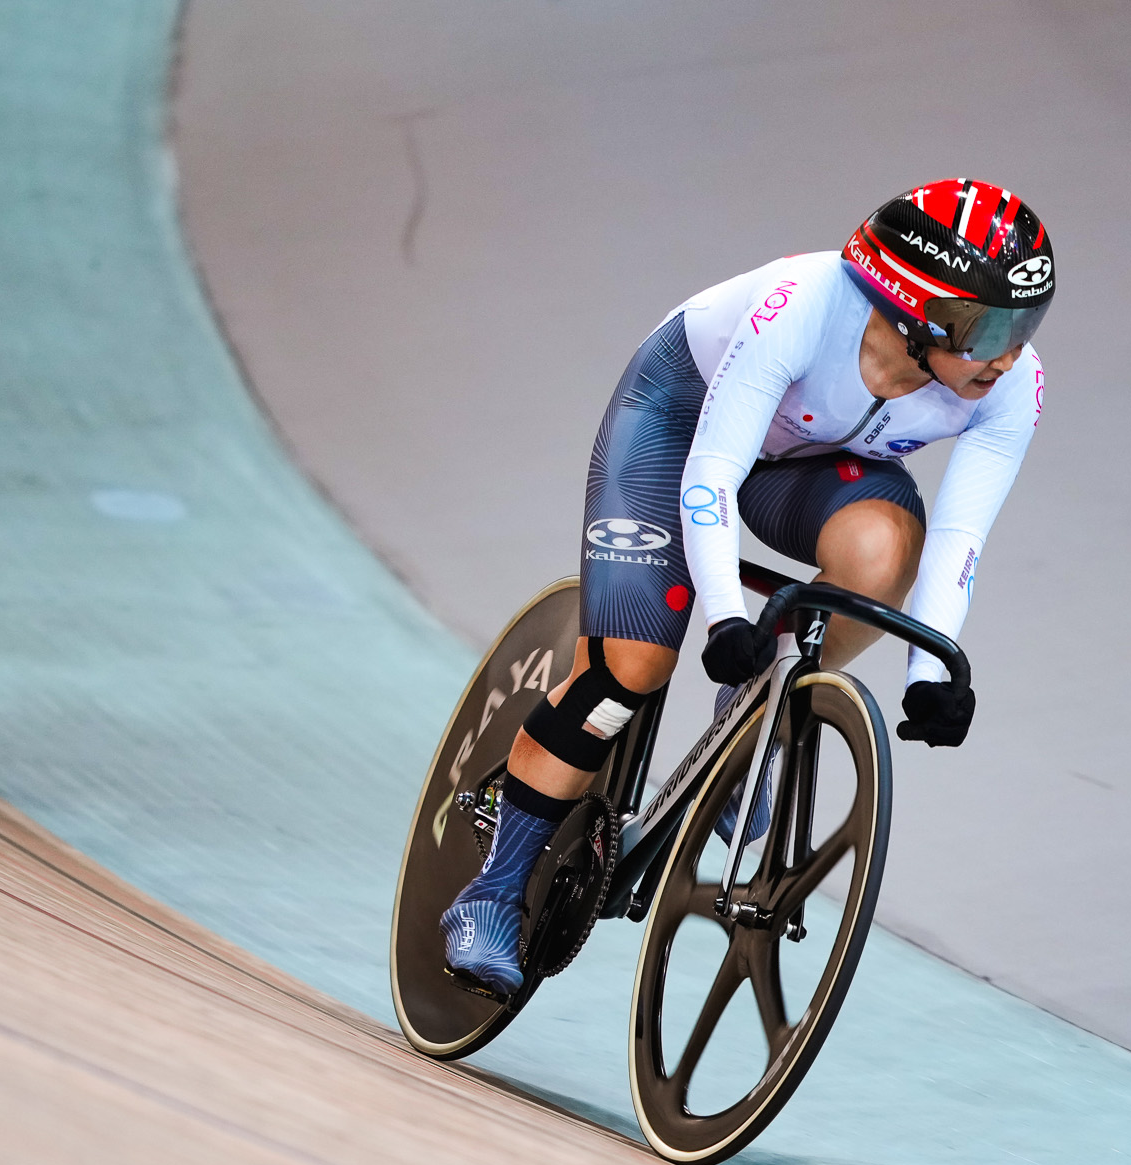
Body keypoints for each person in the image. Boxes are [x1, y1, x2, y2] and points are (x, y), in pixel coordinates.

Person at [443, 178, 1053, 992]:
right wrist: (723, 614)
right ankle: (488, 894)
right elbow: (711, 474)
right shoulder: (802, 306)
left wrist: (930, 674)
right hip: (680, 426)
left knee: (881, 554)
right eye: (990, 326)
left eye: (1025, 323)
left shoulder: (1010, 385)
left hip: (804, 461)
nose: (1009, 353)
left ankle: (756, 705)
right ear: (917, 307)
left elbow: (958, 539)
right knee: (632, 663)